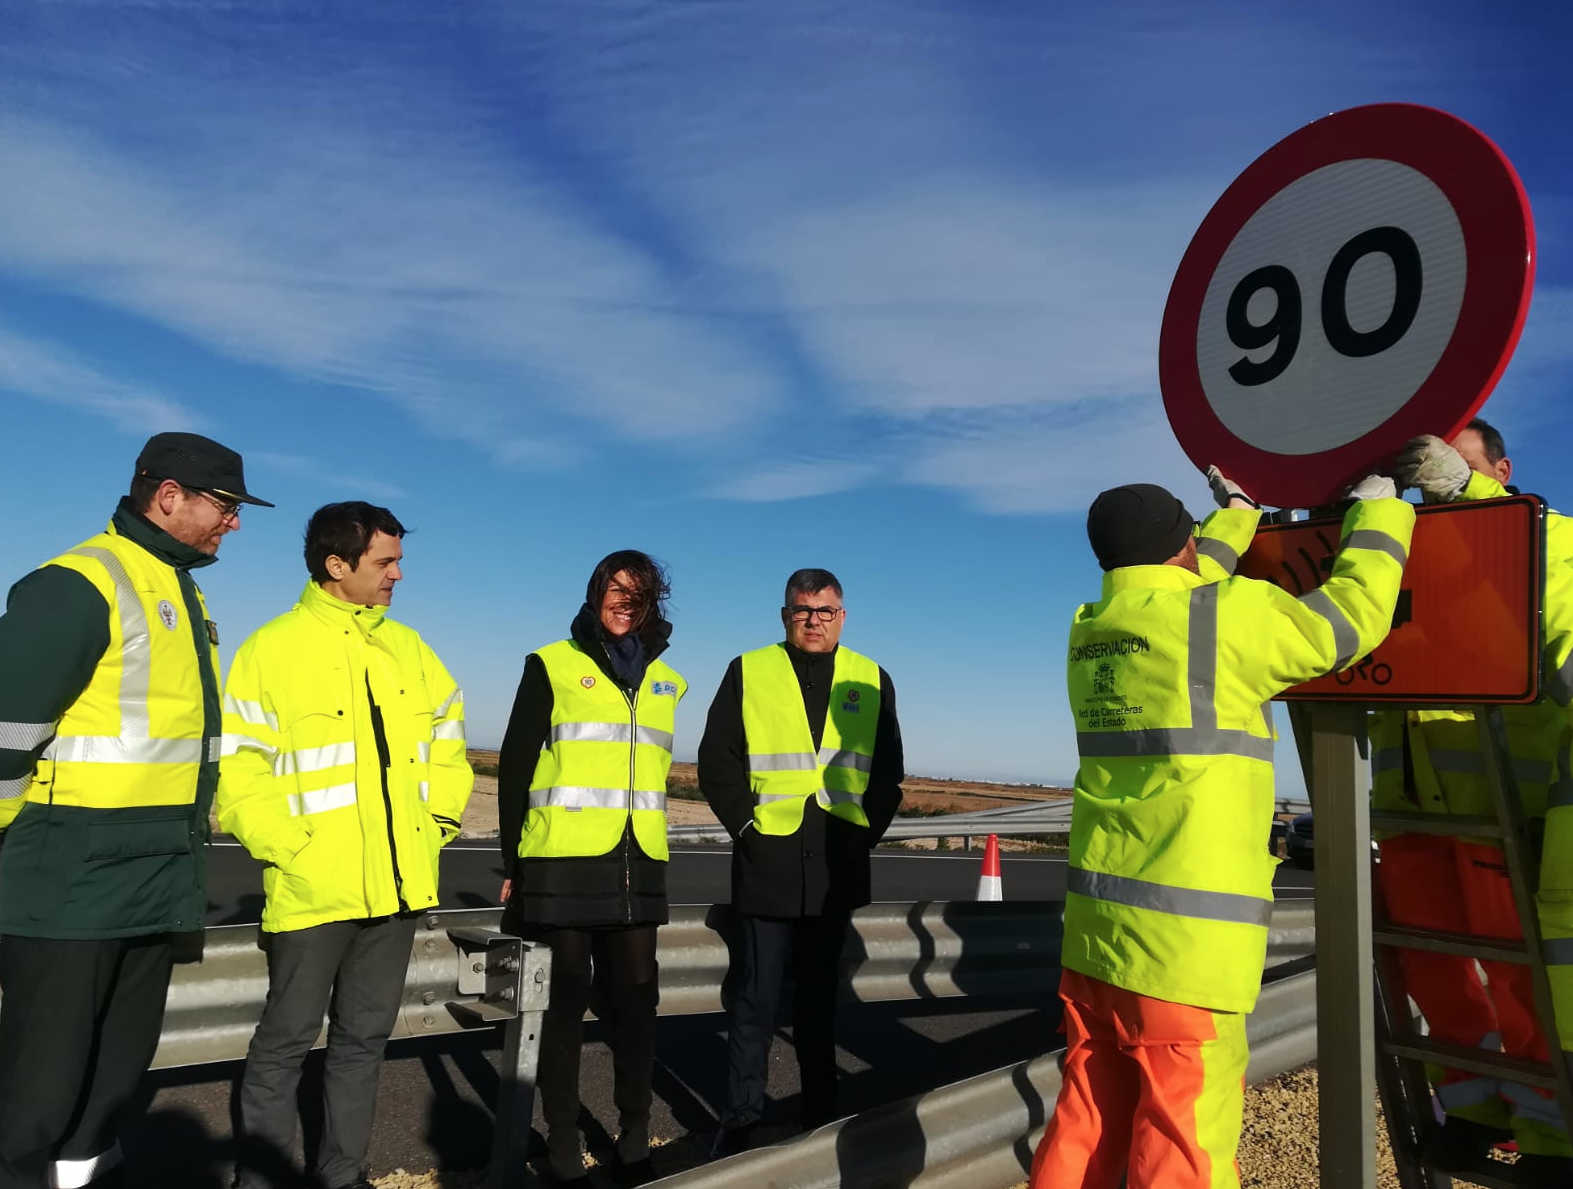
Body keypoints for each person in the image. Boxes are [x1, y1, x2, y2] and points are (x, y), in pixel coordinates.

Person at [1029, 466, 1413, 1189]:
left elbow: (1184, 574)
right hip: (1184, 952)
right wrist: (1381, 517)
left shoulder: (1095, 628)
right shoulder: (1227, 616)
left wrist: (1236, 514)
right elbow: (1348, 619)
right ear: (1181, 546)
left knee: (1087, 1116)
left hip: (1097, 939)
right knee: (1183, 1148)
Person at [0, 432, 270, 1189]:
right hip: (69, 886)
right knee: (34, 1102)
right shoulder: (79, 582)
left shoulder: (180, 587)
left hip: (151, 882)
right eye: (226, 505)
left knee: (106, 1095)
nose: (235, 523)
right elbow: (5, 735)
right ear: (168, 495)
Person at [218, 502, 472, 1189]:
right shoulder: (271, 649)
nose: (398, 573)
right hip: (311, 890)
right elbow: (236, 771)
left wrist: (436, 823)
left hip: (395, 889)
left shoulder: (409, 649)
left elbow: (450, 740)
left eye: (397, 559)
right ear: (338, 565)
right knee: (283, 1045)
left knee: (362, 1043)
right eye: (384, 561)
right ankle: (262, 1179)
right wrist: (290, 846)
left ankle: (342, 1175)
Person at [1385, 421, 1573, 1178]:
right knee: (1433, 977)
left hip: (1504, 804)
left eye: (1454, 472)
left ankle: (1550, 1138)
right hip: (1407, 802)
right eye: (1425, 475)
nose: (1434, 486)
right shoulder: (1404, 553)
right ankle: (1469, 1115)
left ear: (1500, 470)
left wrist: (1471, 499)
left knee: (1526, 987)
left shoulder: (1545, 538)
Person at [496, 551, 686, 1188]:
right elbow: (518, 768)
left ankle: (634, 1135)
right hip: (563, 863)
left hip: (639, 863)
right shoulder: (550, 665)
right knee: (564, 1010)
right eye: (614, 590)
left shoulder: (667, 682)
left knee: (636, 1007)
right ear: (595, 593)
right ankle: (562, 1144)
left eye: (637, 595)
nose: (623, 604)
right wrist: (511, 861)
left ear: (652, 603)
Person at [701, 568, 905, 1157]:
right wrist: (747, 828)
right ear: (784, 614)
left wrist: (862, 840)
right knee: (754, 1001)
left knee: (819, 1003)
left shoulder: (872, 677)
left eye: (825, 611)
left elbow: (888, 773)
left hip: (837, 865)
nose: (813, 620)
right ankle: (742, 1119)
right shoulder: (749, 670)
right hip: (768, 860)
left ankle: (821, 1112)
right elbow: (718, 760)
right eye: (802, 610)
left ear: (843, 616)